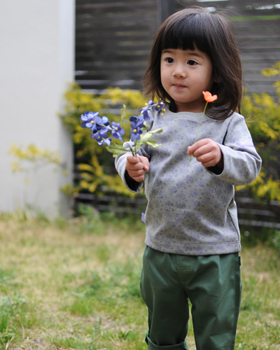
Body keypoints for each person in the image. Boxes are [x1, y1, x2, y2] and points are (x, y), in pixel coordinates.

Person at [115, 7, 262, 350]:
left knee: (216, 333)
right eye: (169, 60)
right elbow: (127, 152)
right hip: (161, 248)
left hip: (215, 252)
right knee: (163, 332)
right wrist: (130, 167)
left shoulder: (227, 122)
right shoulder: (151, 116)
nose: (178, 72)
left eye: (192, 62)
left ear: (218, 71)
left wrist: (223, 157)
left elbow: (250, 165)